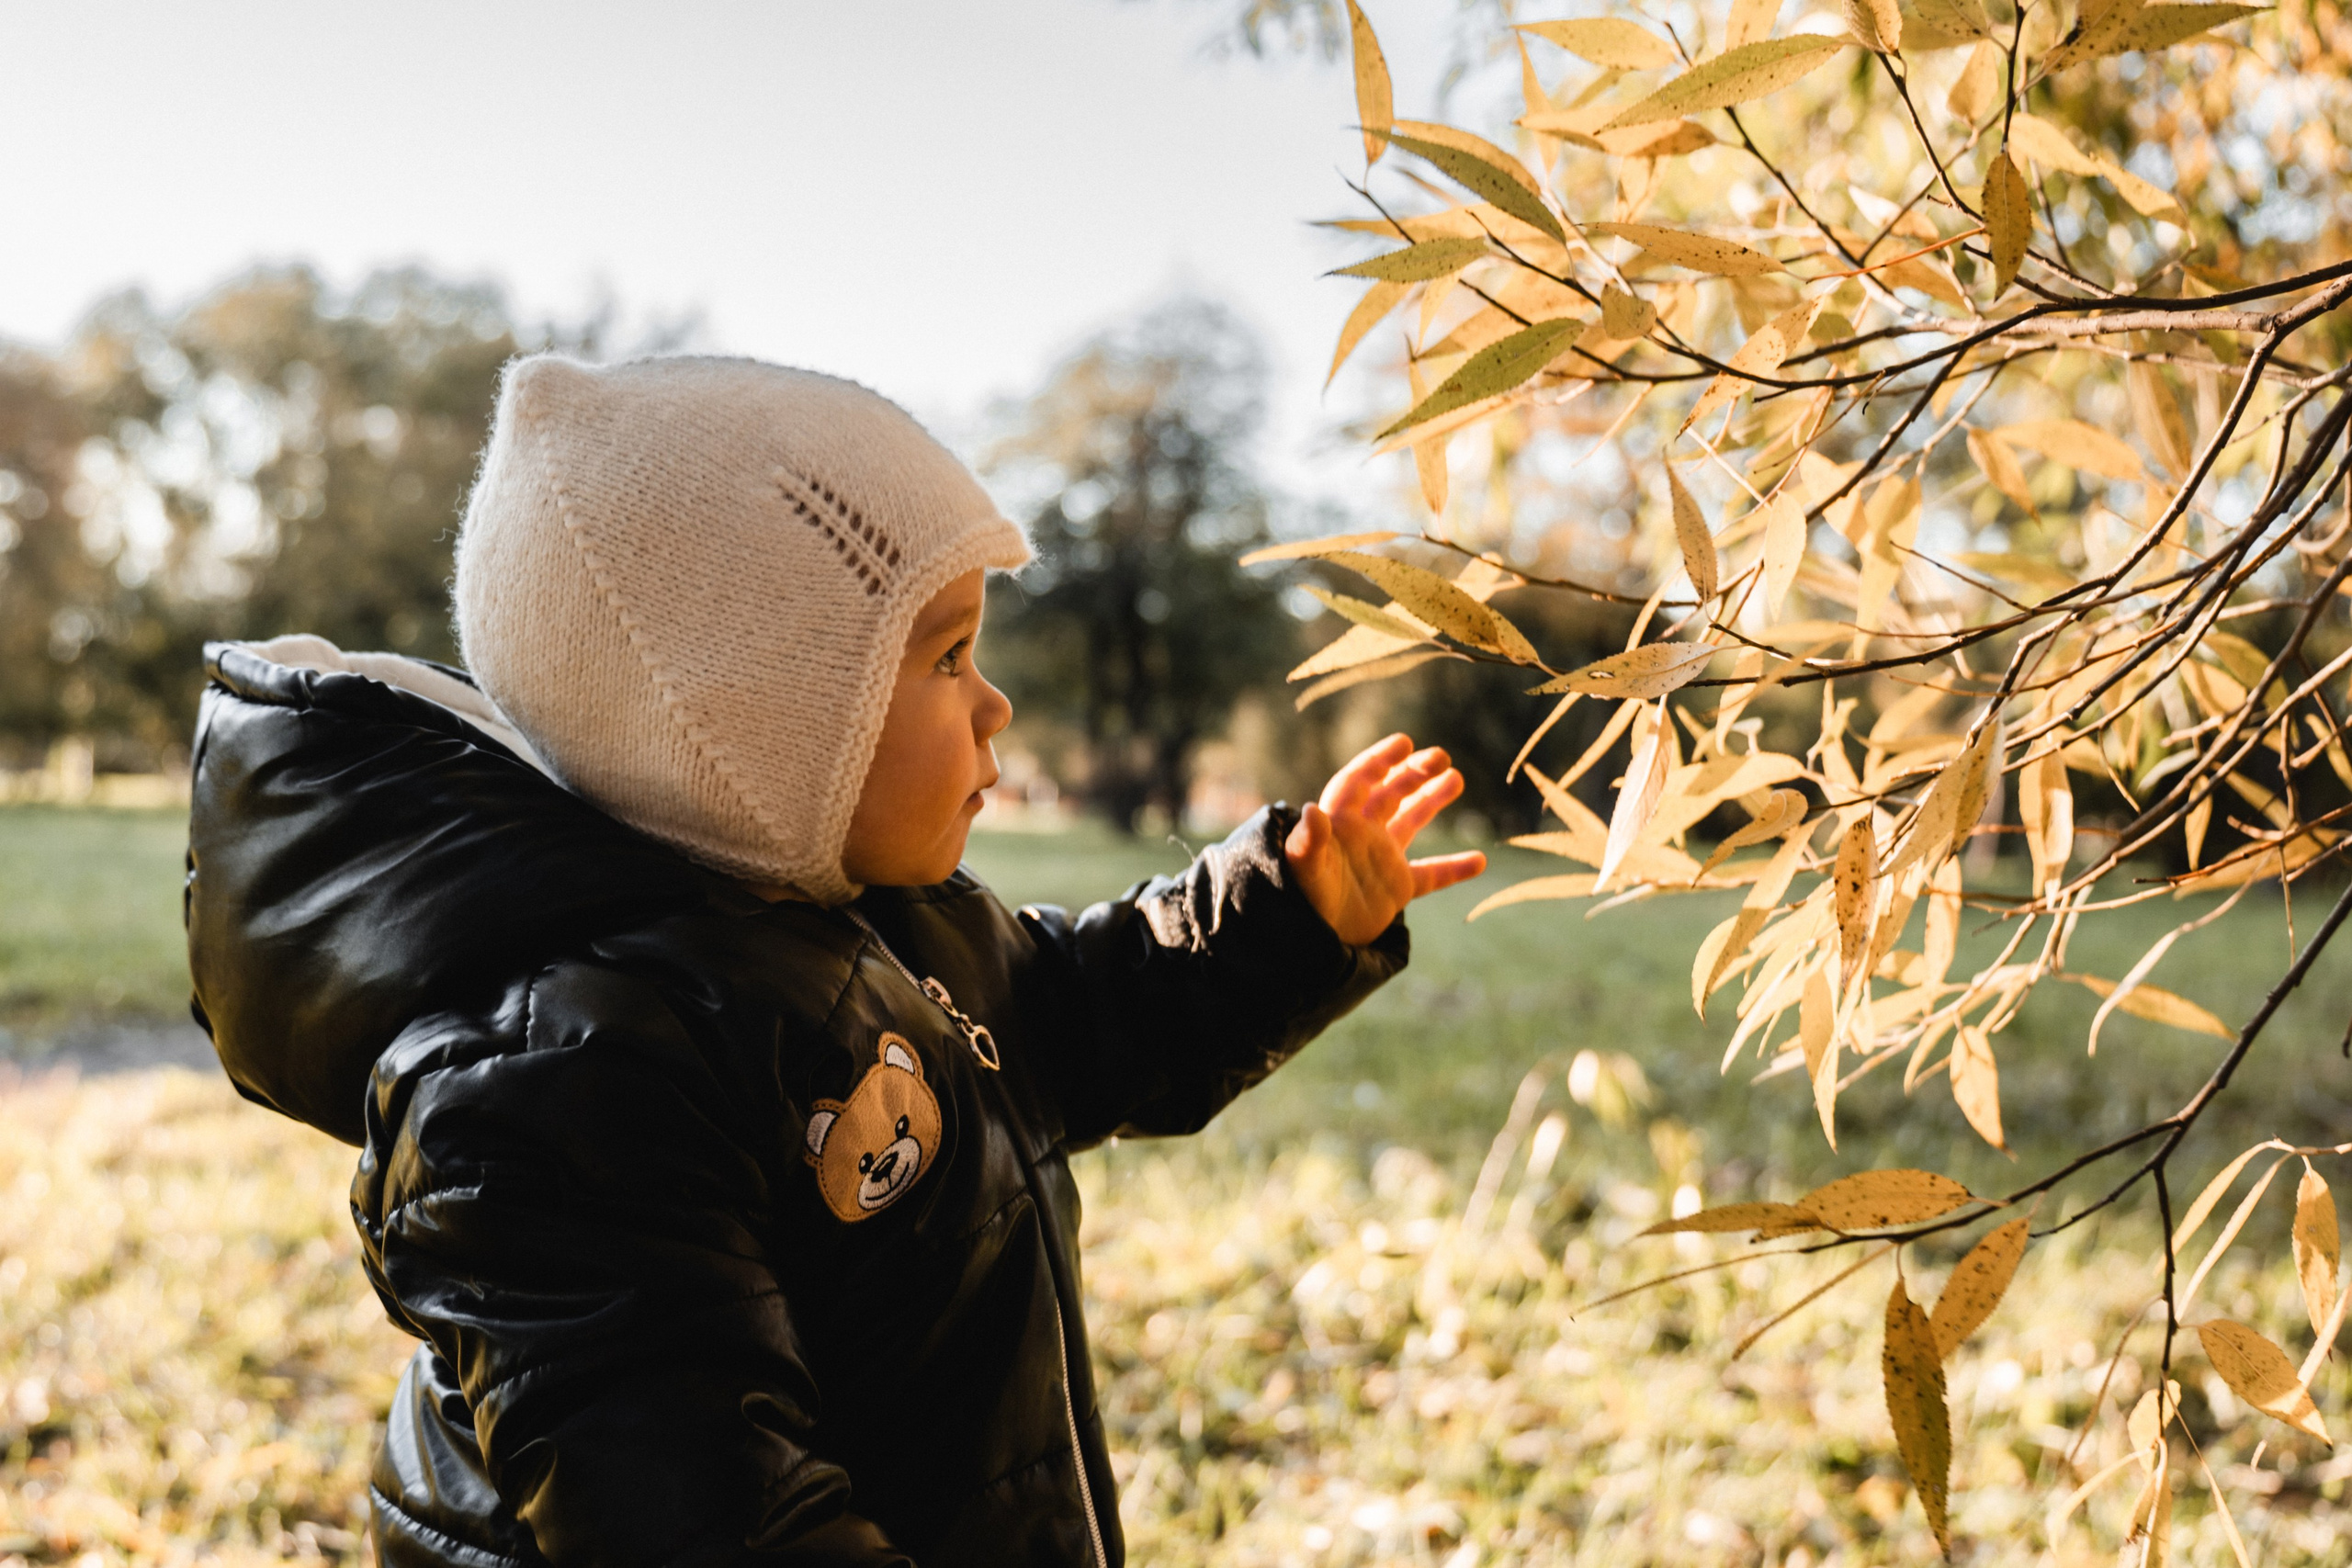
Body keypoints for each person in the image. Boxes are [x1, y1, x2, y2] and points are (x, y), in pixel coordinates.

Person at [184, 354, 1485, 1567]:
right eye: (947, 655)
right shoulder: (559, 1088)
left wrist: (1288, 917)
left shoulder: (887, 924)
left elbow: (1077, 1020)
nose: (997, 704)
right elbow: (714, 1524)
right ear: (758, 739)